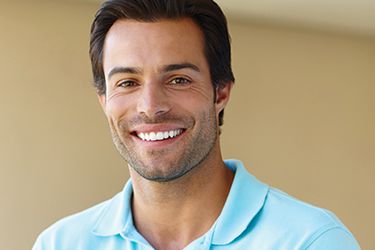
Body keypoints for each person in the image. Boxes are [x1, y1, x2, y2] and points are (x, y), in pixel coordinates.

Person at [33, 0, 361, 249]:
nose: (150, 107)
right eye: (127, 83)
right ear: (104, 101)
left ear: (221, 92)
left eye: (178, 79)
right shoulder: (60, 243)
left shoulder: (310, 240)